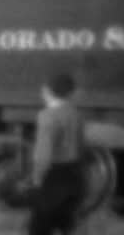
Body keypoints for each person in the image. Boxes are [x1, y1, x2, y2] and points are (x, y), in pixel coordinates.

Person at [28, 73, 86, 235]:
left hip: (53, 178)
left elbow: (43, 154)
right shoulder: (76, 114)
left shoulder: (47, 116)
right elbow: (81, 147)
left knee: (39, 228)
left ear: (47, 91)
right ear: (70, 93)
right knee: (66, 225)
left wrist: (37, 179)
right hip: (74, 176)